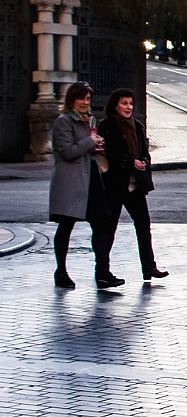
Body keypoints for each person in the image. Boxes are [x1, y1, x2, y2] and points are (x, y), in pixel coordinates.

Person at [48, 82, 122, 290]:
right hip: (71, 182)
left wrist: (98, 144)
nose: (85, 102)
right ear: (72, 100)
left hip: (91, 179)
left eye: (88, 99)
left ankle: (103, 272)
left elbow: (88, 146)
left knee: (101, 224)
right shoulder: (64, 122)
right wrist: (90, 142)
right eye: (81, 98)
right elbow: (67, 152)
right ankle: (61, 271)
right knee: (66, 226)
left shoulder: (89, 120)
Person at [99, 89, 168, 283]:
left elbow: (144, 151)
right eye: (124, 103)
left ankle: (149, 267)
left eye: (130, 103)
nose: (128, 107)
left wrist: (144, 161)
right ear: (115, 105)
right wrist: (130, 162)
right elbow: (109, 154)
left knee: (143, 225)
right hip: (114, 184)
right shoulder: (107, 126)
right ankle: (102, 272)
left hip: (134, 184)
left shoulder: (136, 126)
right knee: (109, 229)